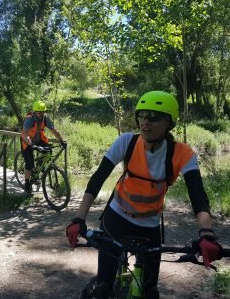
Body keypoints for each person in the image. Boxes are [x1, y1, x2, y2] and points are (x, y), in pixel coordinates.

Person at [66, 91, 223, 299]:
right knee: (103, 288)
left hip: (149, 227)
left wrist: (207, 233)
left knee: (149, 292)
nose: (145, 122)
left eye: (154, 117)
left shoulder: (182, 153)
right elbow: (98, 178)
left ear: (169, 123)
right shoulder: (126, 142)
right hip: (116, 219)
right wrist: (79, 218)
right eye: (142, 115)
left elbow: (198, 196)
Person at [20, 100, 66, 193]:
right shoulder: (30, 119)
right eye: (39, 112)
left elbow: (54, 130)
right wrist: (31, 145)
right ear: (35, 111)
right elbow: (24, 133)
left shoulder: (45, 119)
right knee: (29, 164)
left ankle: (37, 170)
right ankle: (27, 182)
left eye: (42, 112)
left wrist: (61, 141)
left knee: (48, 152)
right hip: (27, 141)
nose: (41, 114)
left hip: (39, 139)